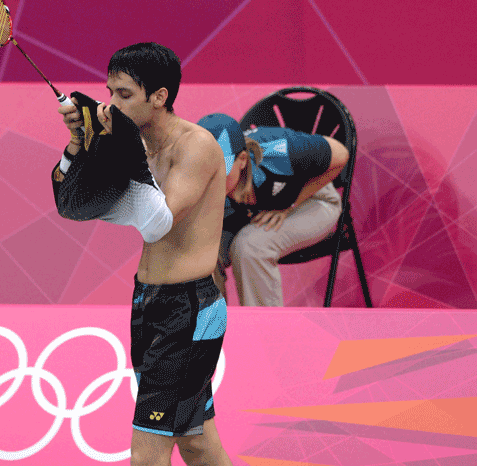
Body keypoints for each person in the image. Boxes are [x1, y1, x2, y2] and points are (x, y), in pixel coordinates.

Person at [51, 42, 233, 466]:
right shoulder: (140, 148)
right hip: (148, 302)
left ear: (160, 97)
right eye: (109, 92)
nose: (111, 105)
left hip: (189, 309)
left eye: (125, 95)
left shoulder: (197, 146)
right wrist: (79, 144)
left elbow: (158, 221)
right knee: (196, 442)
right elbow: (82, 206)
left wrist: (117, 147)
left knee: (147, 452)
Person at [197, 113, 348, 307]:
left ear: (242, 160)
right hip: (254, 208)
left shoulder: (281, 151)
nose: (213, 178)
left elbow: (341, 153)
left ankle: (266, 332)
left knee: (250, 247)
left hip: (313, 199)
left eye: (221, 169)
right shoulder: (199, 168)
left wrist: (291, 203)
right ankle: (213, 330)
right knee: (202, 247)